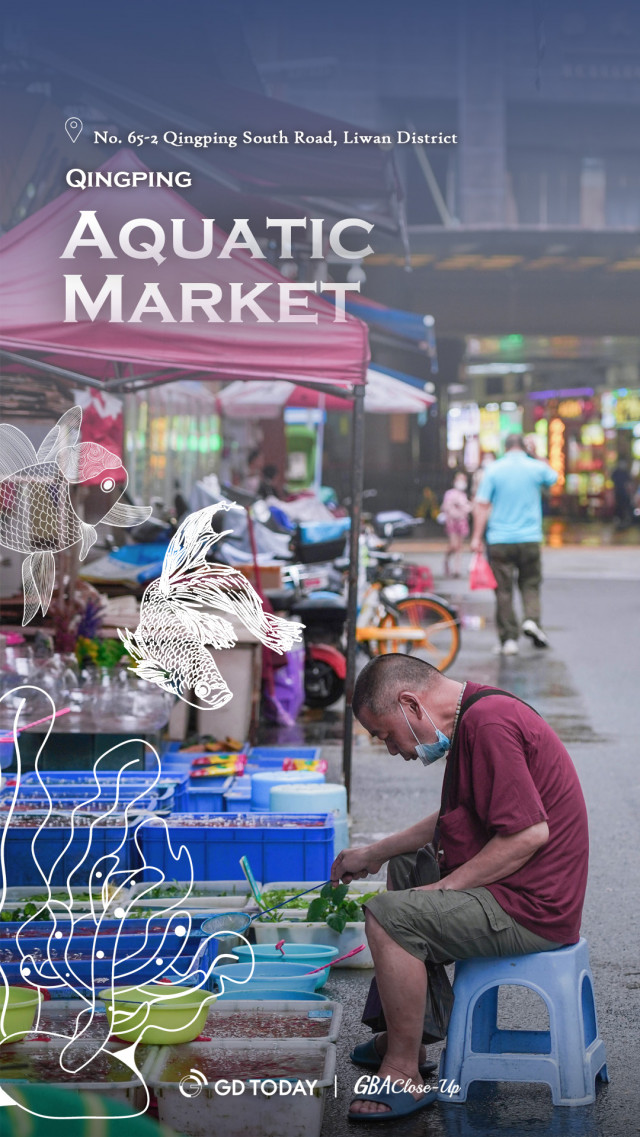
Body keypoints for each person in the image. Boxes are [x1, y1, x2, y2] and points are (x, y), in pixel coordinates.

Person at [335, 654, 588, 1120]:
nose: (392, 749)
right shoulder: (476, 714)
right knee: (409, 863)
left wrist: (446, 888)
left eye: (386, 735)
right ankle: (407, 1035)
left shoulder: (488, 725)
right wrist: (374, 852)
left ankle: (402, 1073)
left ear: (411, 704)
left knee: (390, 917)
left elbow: (528, 834)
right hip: (518, 888)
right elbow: (454, 819)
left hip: (531, 906)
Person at [471, 433, 557, 655]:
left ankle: (509, 639)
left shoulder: (494, 470)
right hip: (529, 538)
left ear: (505, 447)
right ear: (523, 446)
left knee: (504, 590)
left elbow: (481, 505)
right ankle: (531, 620)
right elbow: (553, 477)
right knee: (530, 583)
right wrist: (535, 454)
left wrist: (476, 537)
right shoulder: (534, 467)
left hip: (500, 540)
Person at [440, 472, 472, 578]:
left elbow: (467, 508)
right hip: (452, 522)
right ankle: (446, 560)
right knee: (453, 545)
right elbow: (446, 507)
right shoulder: (449, 494)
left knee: (459, 546)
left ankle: (457, 569)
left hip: (462, 522)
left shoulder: (463, 496)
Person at [611, 458, 633, 529]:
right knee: (618, 506)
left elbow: (629, 483)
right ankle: (618, 520)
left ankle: (624, 521)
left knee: (625, 507)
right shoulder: (616, 472)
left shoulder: (625, 472)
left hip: (624, 494)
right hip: (618, 493)